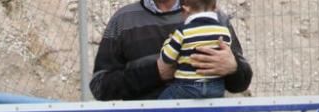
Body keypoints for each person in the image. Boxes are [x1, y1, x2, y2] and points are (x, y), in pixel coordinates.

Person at [89, 0, 252, 102]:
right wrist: (155, 73)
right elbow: (100, 87)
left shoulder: (214, 18)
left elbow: (241, 83)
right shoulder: (123, 20)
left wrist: (234, 68)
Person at [158, 0, 232, 100]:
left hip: (187, 87)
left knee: (162, 103)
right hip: (216, 87)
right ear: (216, 8)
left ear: (186, 8)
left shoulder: (183, 32)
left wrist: (168, 42)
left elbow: (167, 58)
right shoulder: (224, 31)